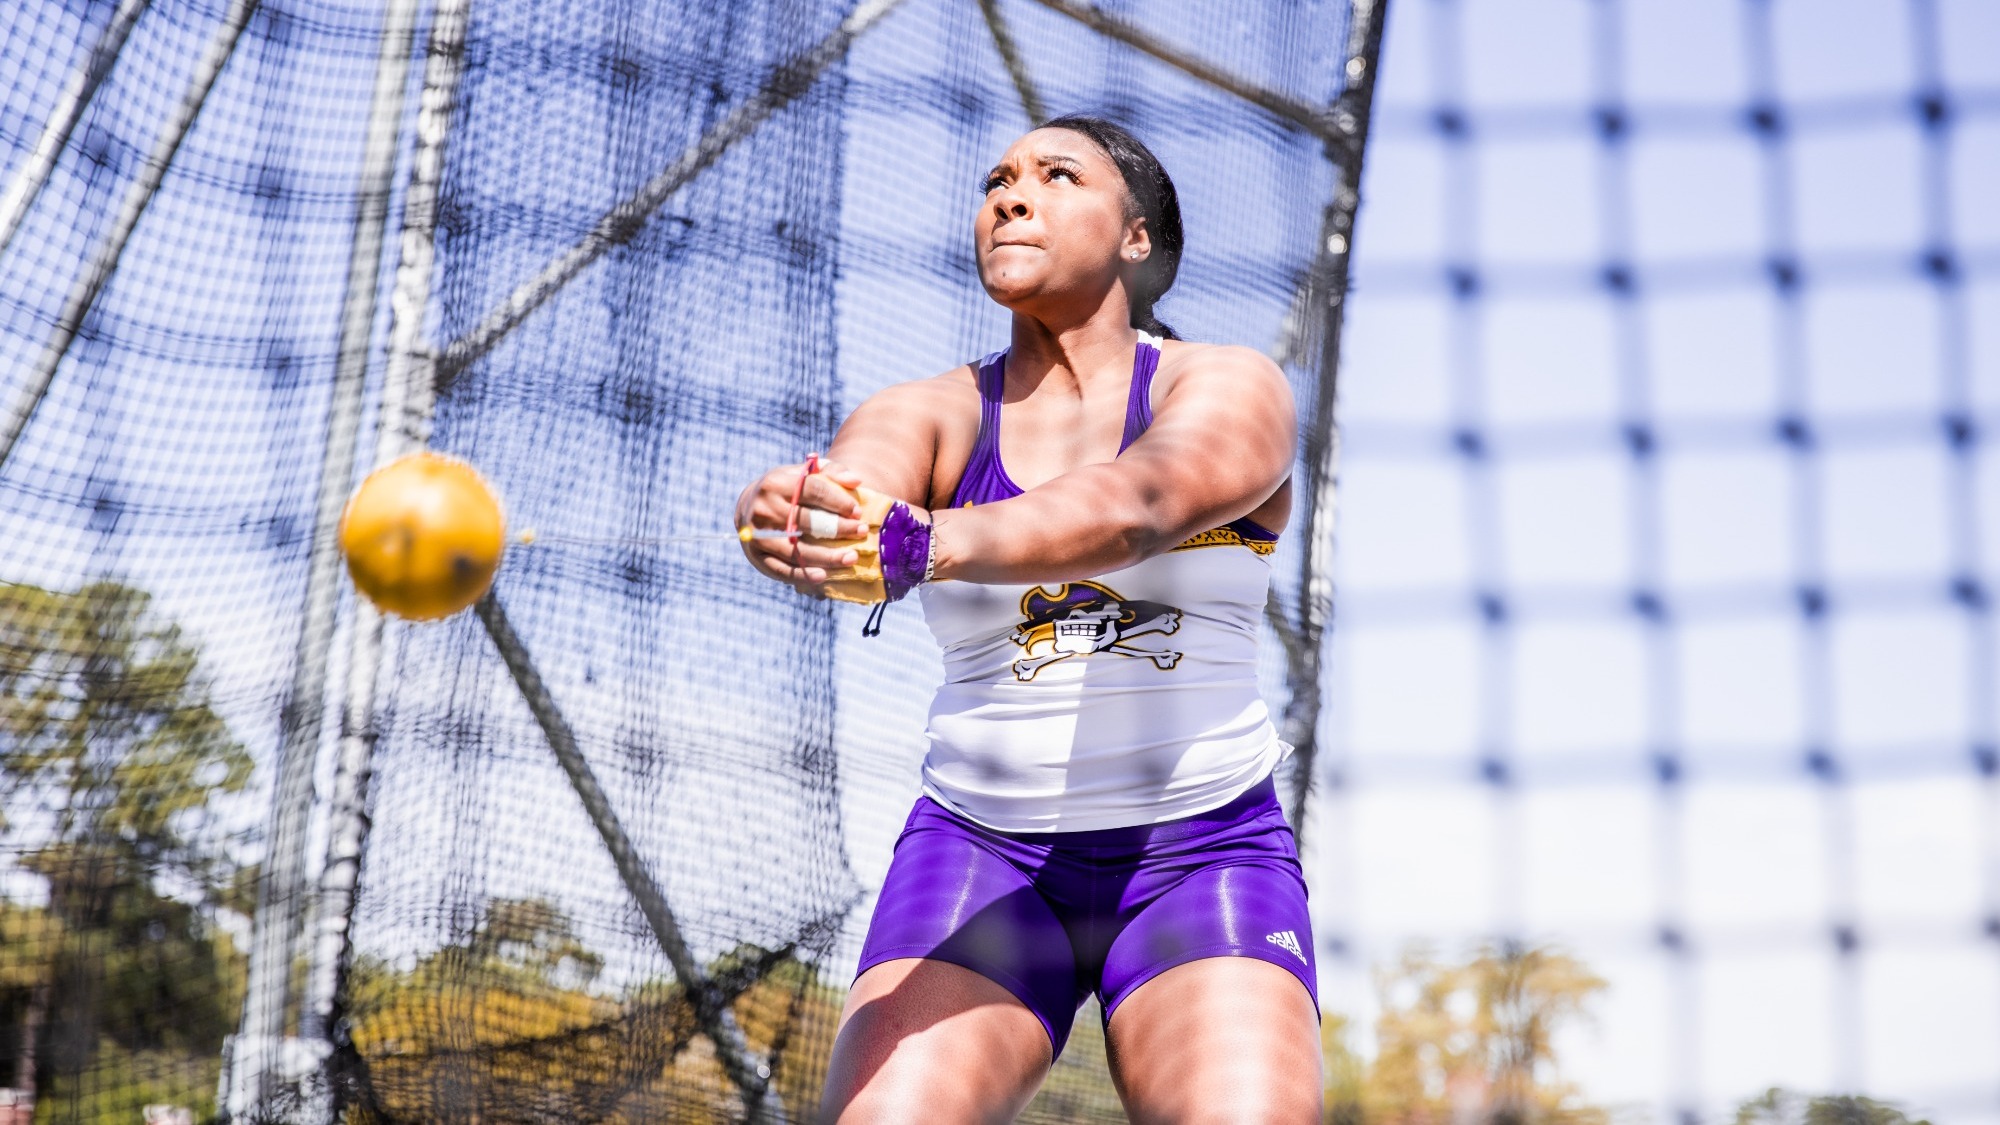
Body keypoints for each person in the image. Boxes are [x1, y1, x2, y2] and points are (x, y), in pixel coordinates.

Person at [735, 114, 1318, 1123]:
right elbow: (858, 506)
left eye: (1056, 176)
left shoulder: (1224, 385)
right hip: (980, 858)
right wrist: (807, 520)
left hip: (1200, 859)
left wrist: (926, 543)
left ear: (1137, 239)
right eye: (996, 178)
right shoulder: (927, 411)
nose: (1010, 195)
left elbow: (1135, 509)